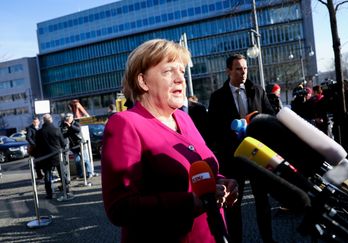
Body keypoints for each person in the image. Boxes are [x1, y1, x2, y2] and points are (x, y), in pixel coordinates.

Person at [101, 39, 238, 242]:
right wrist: (190, 203)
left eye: (181, 71)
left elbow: (198, 170)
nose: (180, 79)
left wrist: (221, 182)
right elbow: (120, 208)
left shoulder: (183, 118)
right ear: (143, 82)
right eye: (168, 71)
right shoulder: (124, 123)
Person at [207, 54, 276, 243]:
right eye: (238, 68)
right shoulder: (217, 97)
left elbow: (270, 118)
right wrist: (229, 134)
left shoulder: (258, 91)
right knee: (233, 205)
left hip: (256, 155)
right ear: (228, 71)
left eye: (245, 68)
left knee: (262, 202)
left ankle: (268, 239)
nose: (243, 72)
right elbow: (212, 129)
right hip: (232, 158)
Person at [35, 114, 66, 199]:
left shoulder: (39, 133)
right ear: (51, 120)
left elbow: (37, 146)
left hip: (45, 157)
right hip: (57, 155)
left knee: (48, 175)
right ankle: (65, 189)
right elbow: (63, 143)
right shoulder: (57, 130)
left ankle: (49, 193)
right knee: (62, 173)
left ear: (43, 121)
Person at [60, 113, 94, 179]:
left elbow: (77, 130)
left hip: (81, 144)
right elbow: (65, 135)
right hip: (73, 145)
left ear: (72, 118)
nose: (67, 120)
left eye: (68, 118)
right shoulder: (65, 125)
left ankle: (90, 173)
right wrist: (62, 129)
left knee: (85, 159)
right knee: (77, 161)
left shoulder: (76, 123)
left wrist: (70, 126)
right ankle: (80, 174)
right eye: (66, 119)